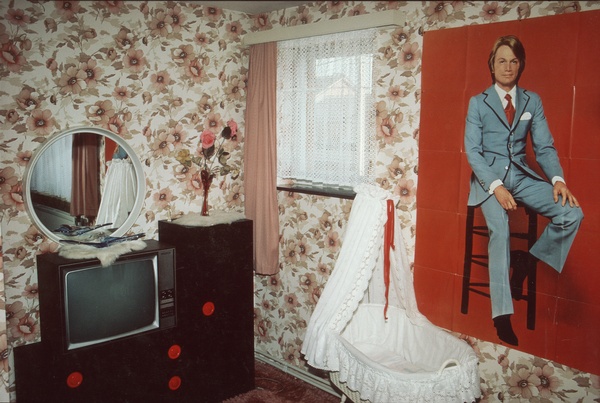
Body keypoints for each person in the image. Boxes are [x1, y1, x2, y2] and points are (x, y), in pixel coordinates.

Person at [464, 35, 583, 345]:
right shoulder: (478, 102)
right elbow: (473, 152)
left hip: (521, 175)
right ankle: (502, 315)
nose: (508, 67)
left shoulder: (532, 101)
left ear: (521, 65)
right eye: (501, 61)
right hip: (488, 180)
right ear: (492, 66)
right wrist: (496, 187)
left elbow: (544, 147)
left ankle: (528, 261)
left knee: (572, 213)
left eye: (513, 61)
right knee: (500, 231)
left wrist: (558, 180)